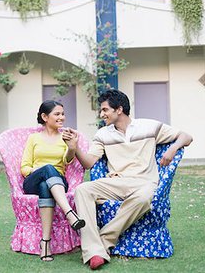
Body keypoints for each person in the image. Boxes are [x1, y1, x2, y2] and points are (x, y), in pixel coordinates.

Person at [63, 89, 193, 270]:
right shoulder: (102, 134)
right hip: (115, 182)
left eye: (105, 110)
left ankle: (102, 242)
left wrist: (173, 149)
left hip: (144, 182)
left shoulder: (149, 126)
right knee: (82, 190)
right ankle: (94, 250)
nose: (102, 114)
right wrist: (75, 147)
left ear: (119, 109)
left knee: (143, 199)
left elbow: (186, 136)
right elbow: (88, 163)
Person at [21, 100, 85, 262]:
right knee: (47, 171)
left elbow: (67, 162)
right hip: (32, 181)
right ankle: (70, 213)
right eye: (57, 114)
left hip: (57, 182)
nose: (61, 117)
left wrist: (71, 147)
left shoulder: (65, 137)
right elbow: (25, 168)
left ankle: (45, 243)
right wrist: (40, 171)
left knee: (46, 185)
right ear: (44, 116)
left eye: (63, 114)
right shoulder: (33, 138)